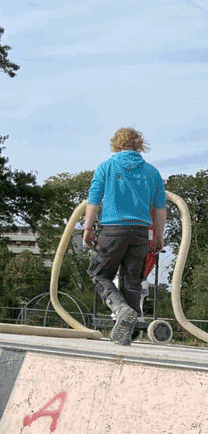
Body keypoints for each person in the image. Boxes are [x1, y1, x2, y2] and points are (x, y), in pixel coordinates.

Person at [83, 127, 166, 345]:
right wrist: (158, 236)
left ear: (116, 144)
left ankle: (121, 310)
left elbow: (94, 200)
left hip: (113, 230)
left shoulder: (107, 167)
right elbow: (159, 208)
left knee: (99, 274)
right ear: (138, 145)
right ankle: (128, 334)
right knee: (132, 282)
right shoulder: (152, 172)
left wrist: (87, 228)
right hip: (140, 233)